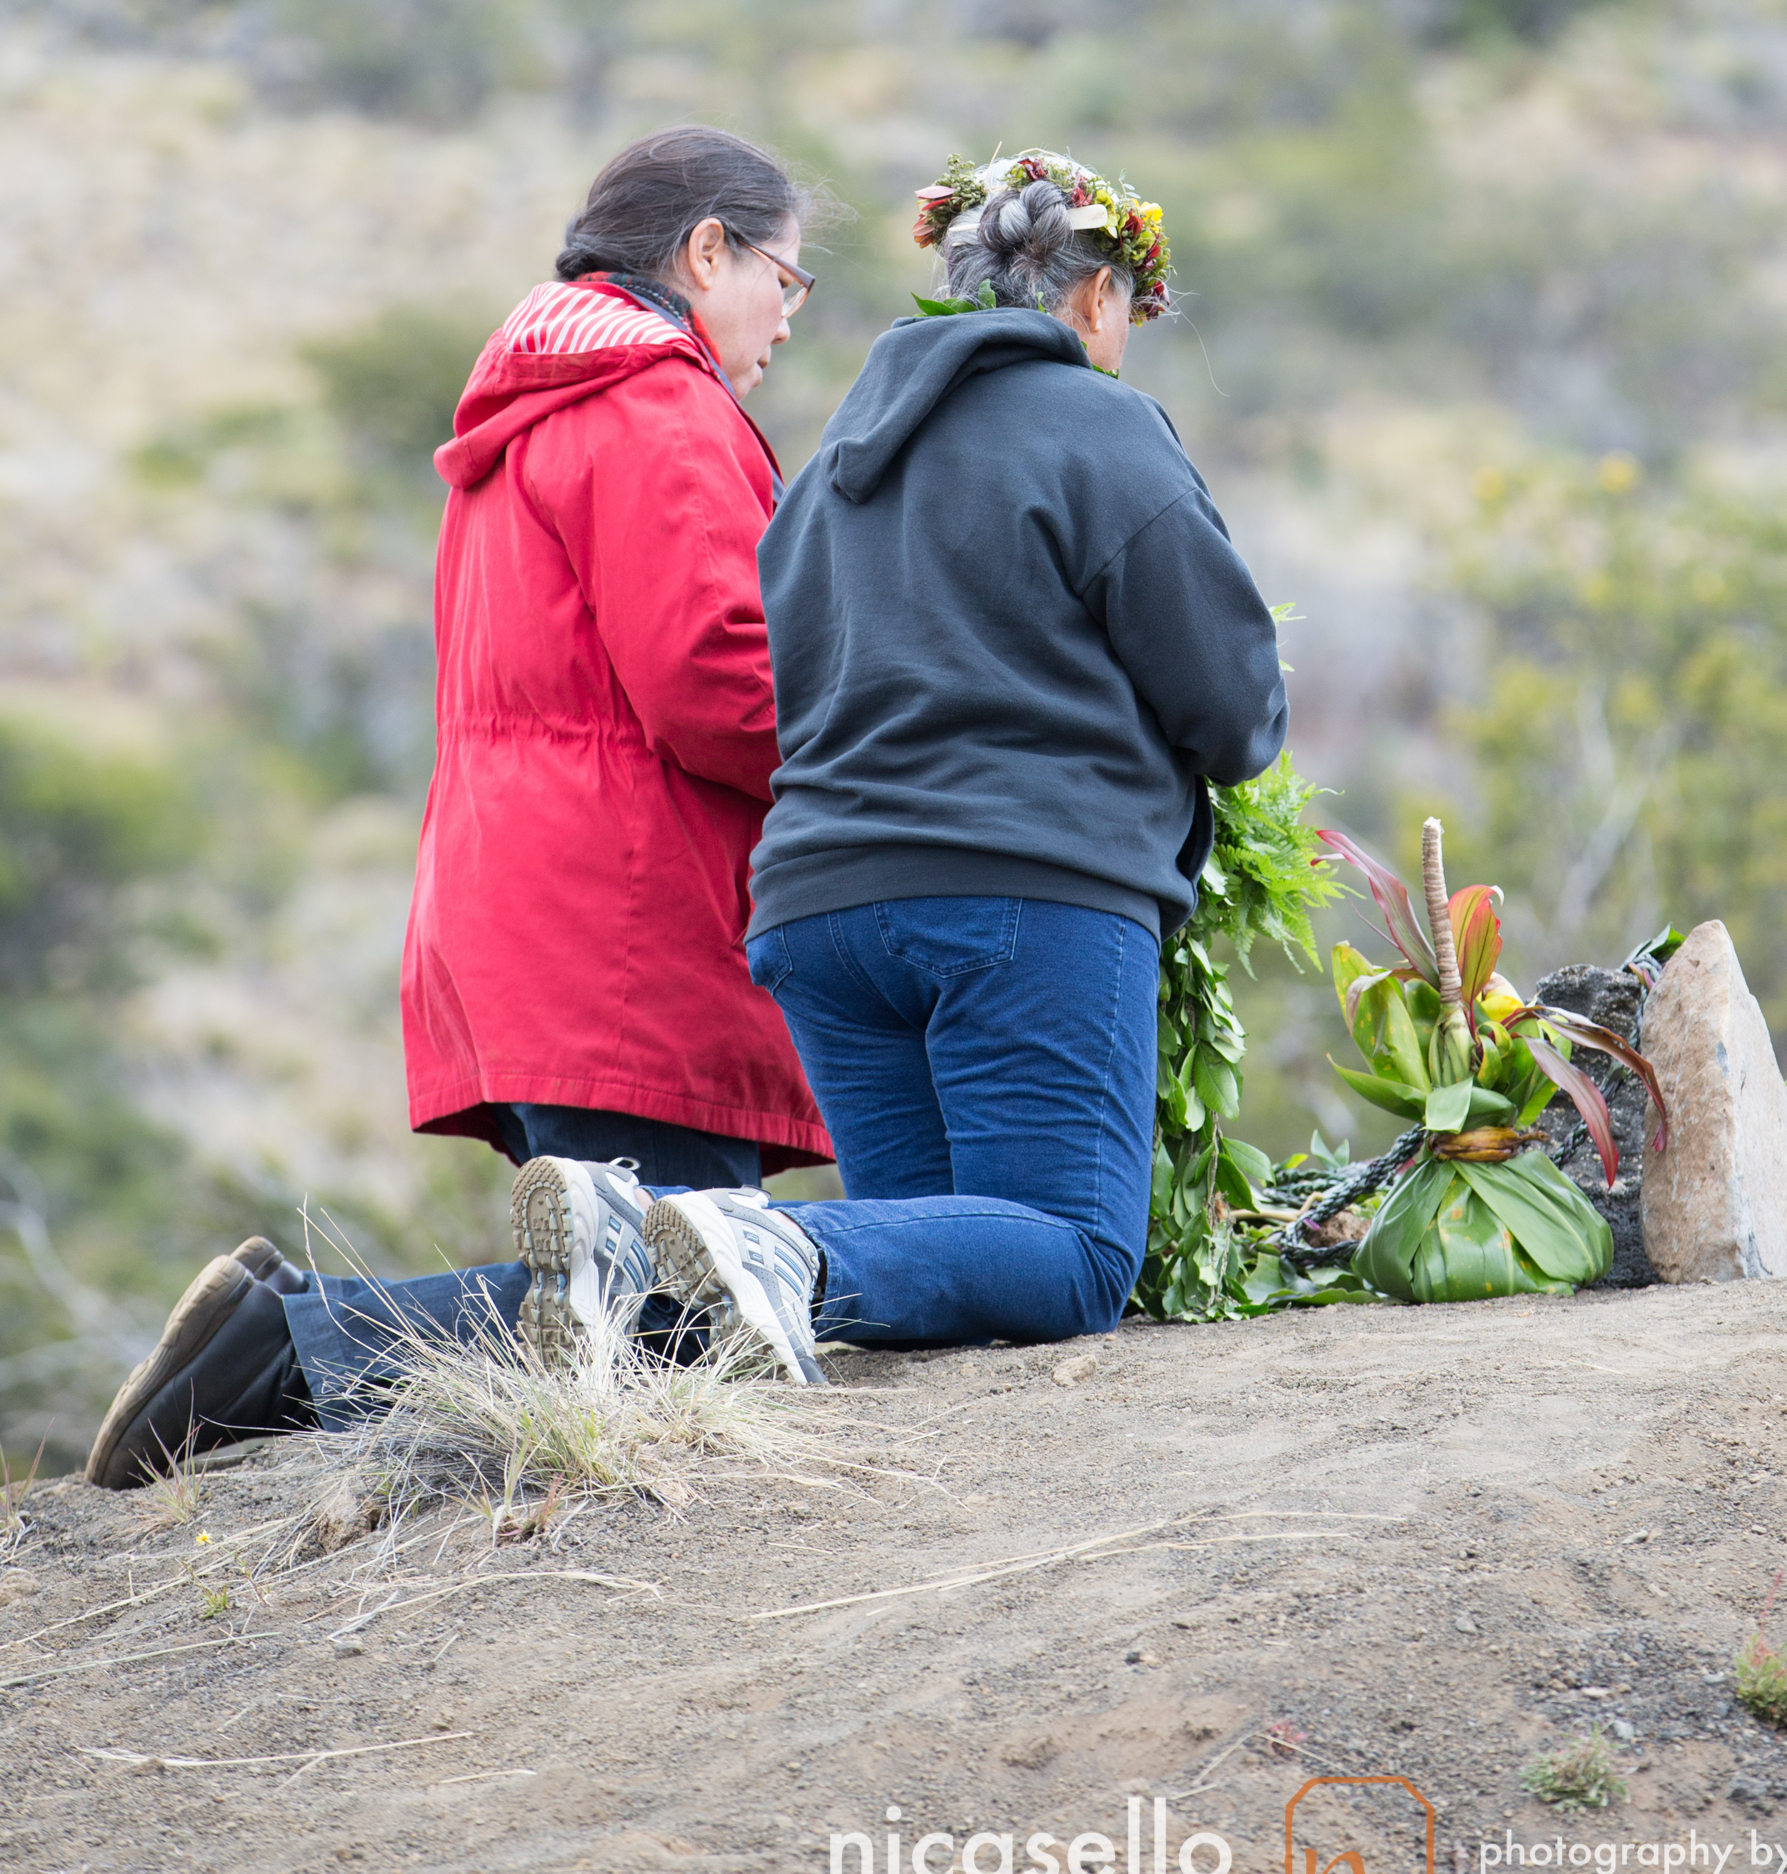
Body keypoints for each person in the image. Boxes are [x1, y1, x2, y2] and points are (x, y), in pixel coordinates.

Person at [85, 125, 835, 1488]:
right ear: (707, 250)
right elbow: (718, 681)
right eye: (786, 277)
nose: (789, 316)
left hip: (528, 900)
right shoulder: (655, 405)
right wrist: (874, 767)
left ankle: (284, 1343)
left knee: (637, 1299)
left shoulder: (535, 405)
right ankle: (292, 1348)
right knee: (675, 1303)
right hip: (629, 922)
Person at [629, 146, 1288, 1376]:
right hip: (1018, 897)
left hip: (820, 917)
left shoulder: (826, 471)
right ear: (1099, 298)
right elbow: (1235, 710)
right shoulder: (1101, 429)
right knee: (1076, 1253)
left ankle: (652, 1262)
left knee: (938, 1281)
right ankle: (771, 1245)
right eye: (1132, 313)